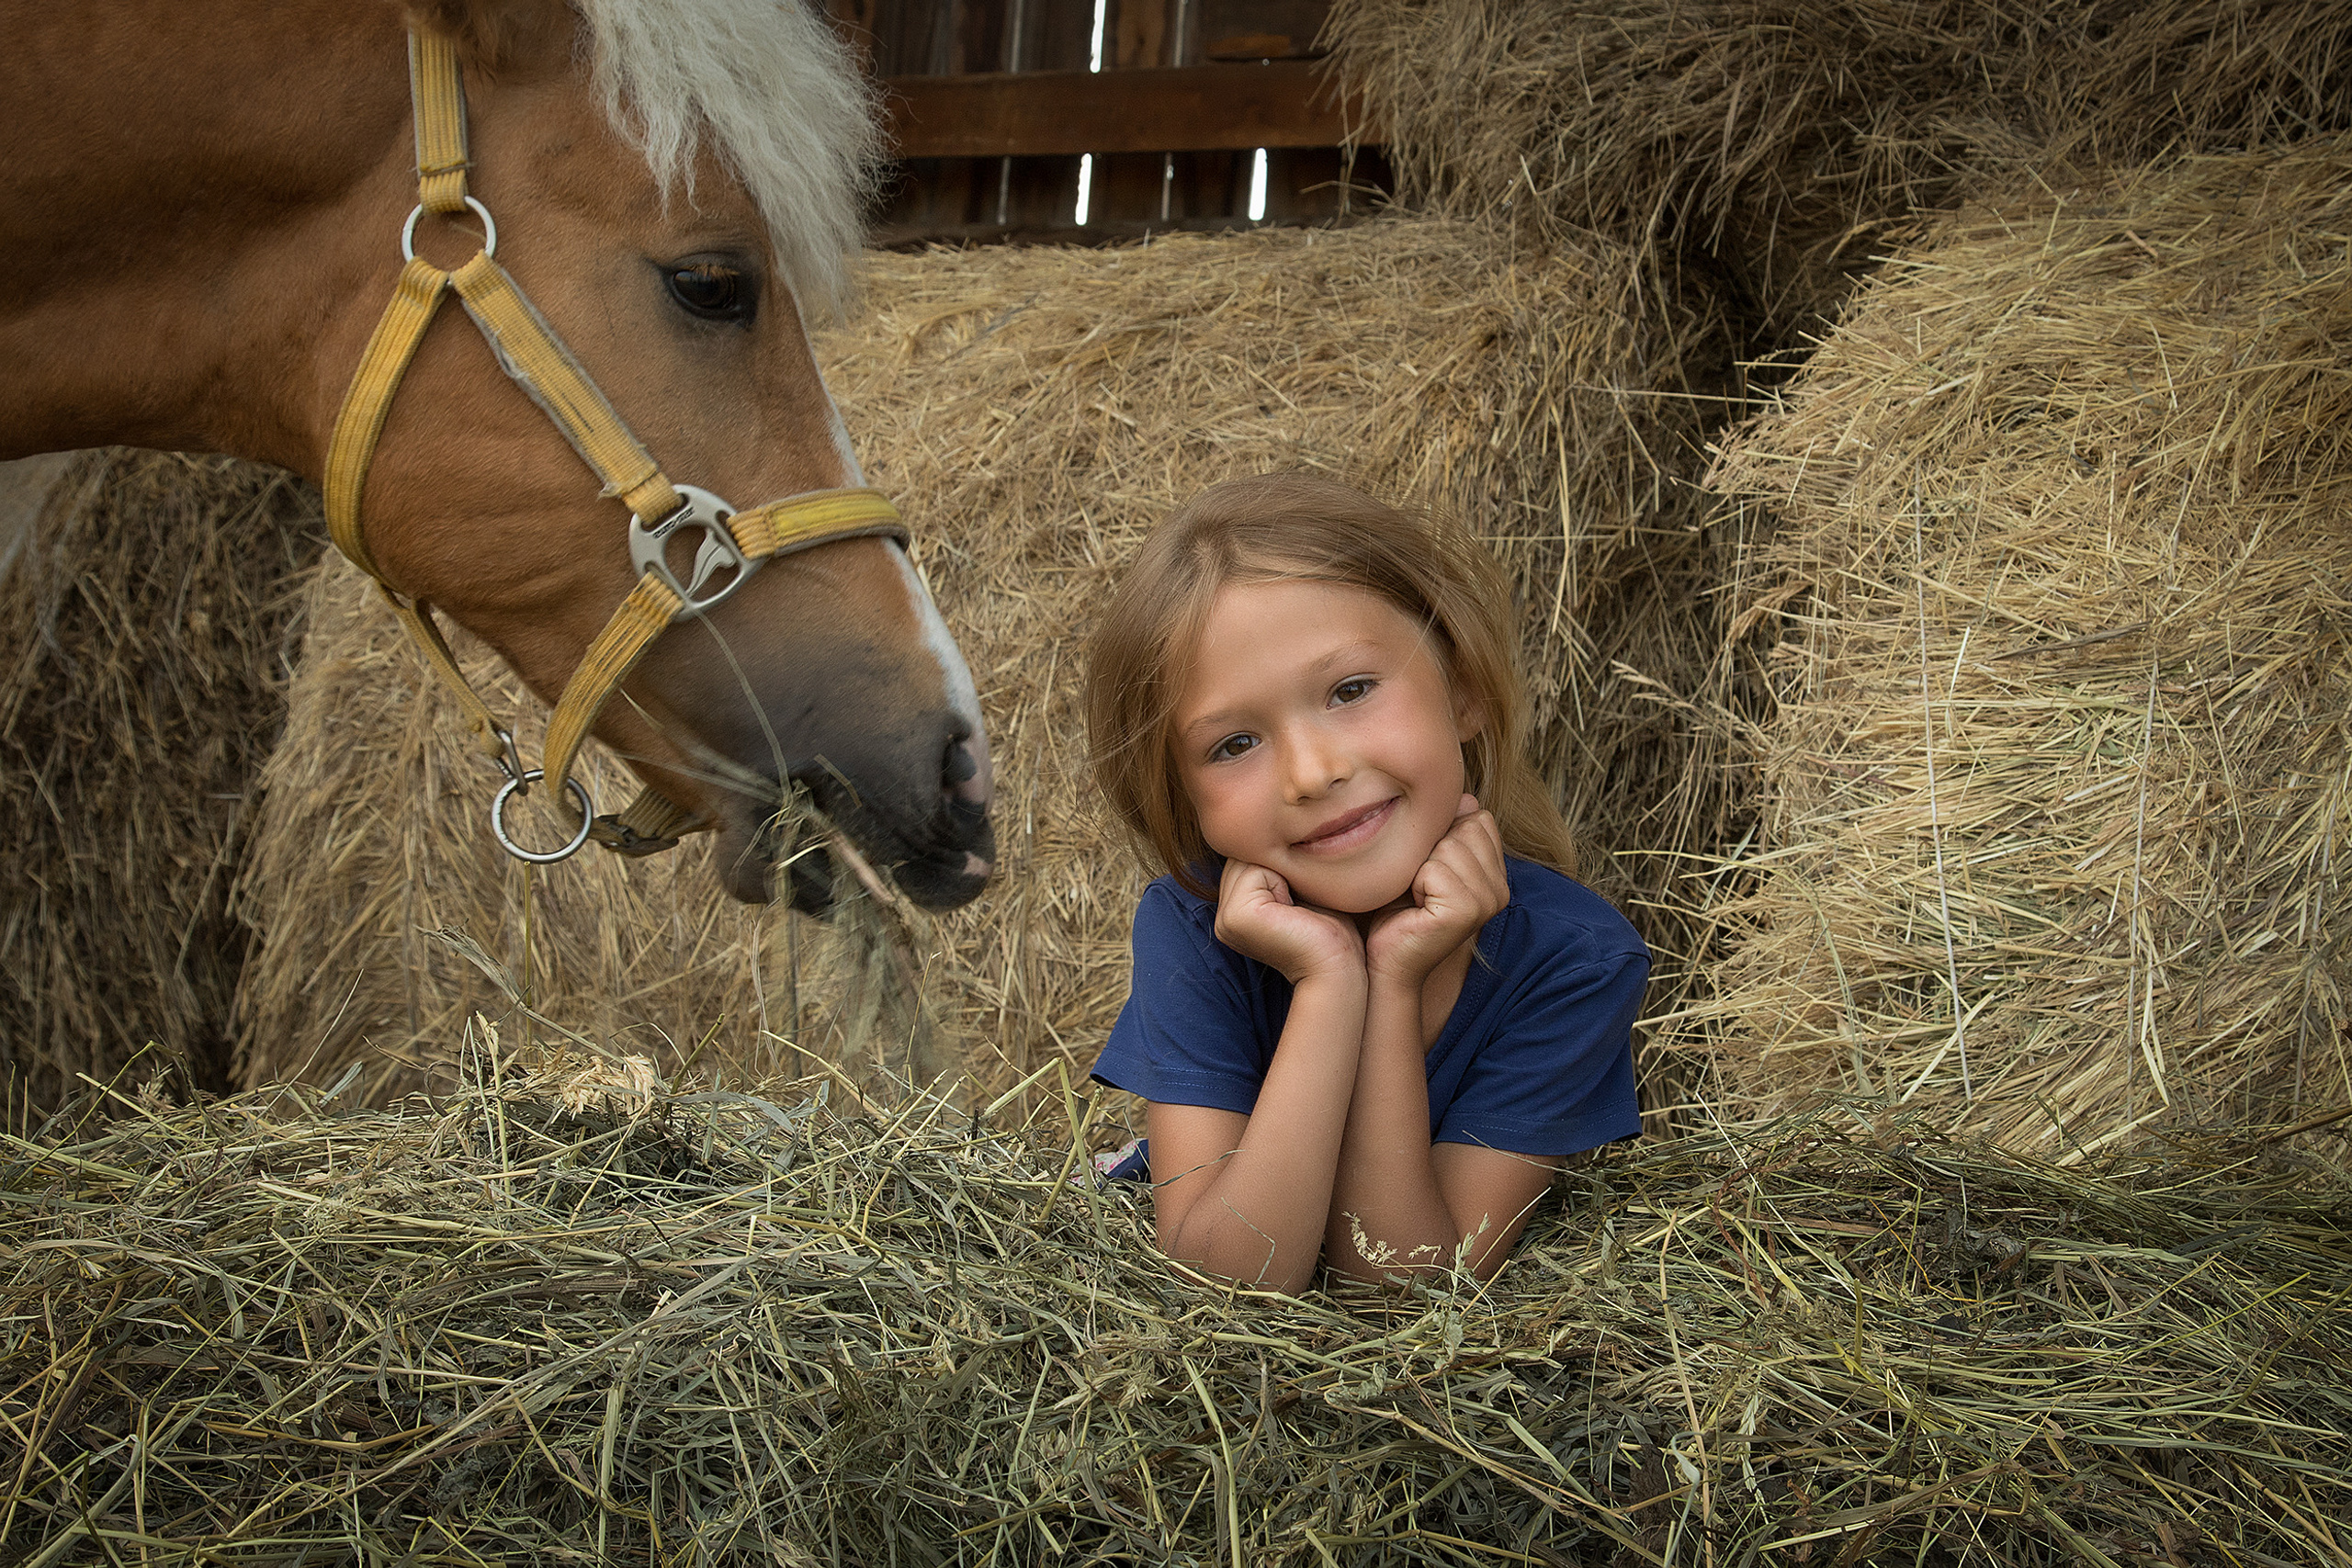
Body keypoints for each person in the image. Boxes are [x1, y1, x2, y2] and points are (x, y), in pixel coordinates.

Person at [1084, 473, 1648, 1294]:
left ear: (1463, 691)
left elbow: (1400, 1290)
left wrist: (1391, 983)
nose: (1313, 773)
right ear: (1182, 801)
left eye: (1350, 691)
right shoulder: (1190, 926)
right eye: (1234, 743)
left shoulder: (1575, 962)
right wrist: (1327, 982)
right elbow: (1222, 1279)